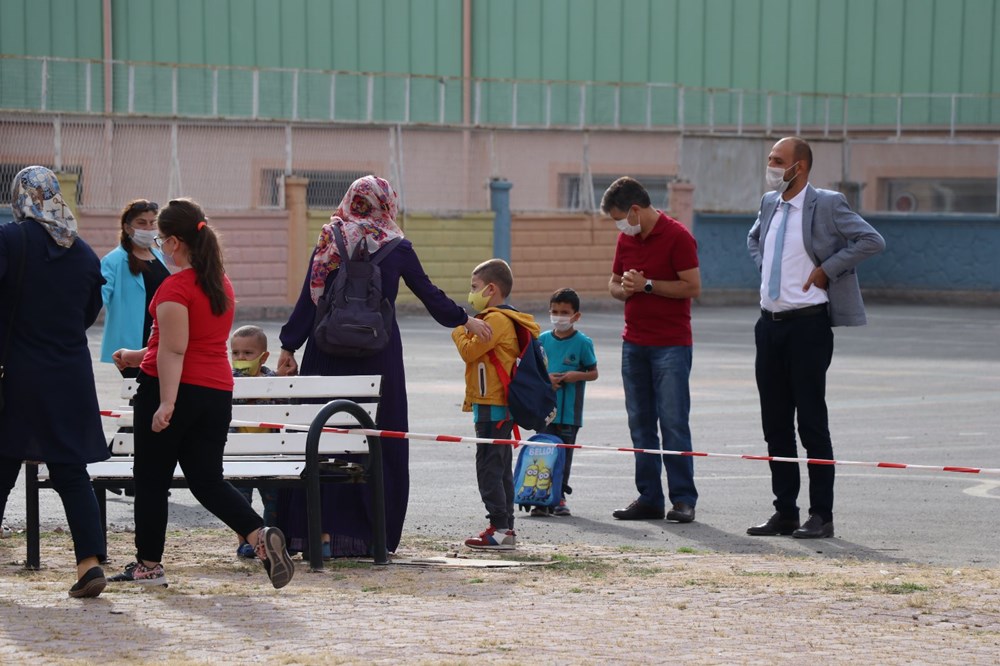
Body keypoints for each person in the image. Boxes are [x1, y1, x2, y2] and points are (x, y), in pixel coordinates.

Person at [275, 175, 491, 558]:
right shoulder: (396, 246)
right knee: (377, 442)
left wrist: (289, 346)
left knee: (322, 440)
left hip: (327, 354)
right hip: (378, 357)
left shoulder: (330, 239)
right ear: (387, 203)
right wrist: (465, 319)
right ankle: (373, 535)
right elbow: (428, 293)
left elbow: (310, 299)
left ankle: (317, 533)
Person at [109, 198, 294, 589]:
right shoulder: (220, 284)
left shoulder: (175, 287)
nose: (159, 246)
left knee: (152, 479)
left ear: (175, 242)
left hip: (173, 389)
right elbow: (182, 343)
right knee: (206, 479)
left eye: (161, 240)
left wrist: (166, 402)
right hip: (215, 391)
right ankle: (258, 535)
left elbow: (175, 351)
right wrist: (134, 355)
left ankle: (149, 565)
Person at [746, 136, 885, 539]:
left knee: (810, 421)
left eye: (777, 160)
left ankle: (821, 515)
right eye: (770, 158)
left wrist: (828, 269)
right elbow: (754, 239)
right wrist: (766, 267)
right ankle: (784, 511)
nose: (771, 166)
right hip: (768, 325)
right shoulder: (768, 202)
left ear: (799, 166)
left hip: (807, 326)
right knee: (774, 423)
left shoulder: (827, 203)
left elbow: (871, 240)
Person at [0, 166, 109, 598]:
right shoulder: (82, 251)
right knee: (70, 471)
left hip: (19, 373)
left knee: (2, 466)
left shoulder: (10, 239)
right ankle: (89, 563)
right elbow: (87, 314)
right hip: (70, 375)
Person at [603, 176, 700, 524]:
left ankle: (683, 499)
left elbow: (692, 286)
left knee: (673, 422)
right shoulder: (625, 240)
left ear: (635, 209)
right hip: (634, 343)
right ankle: (649, 497)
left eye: (619, 217)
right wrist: (625, 289)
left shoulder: (678, 236)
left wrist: (647, 285)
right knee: (640, 425)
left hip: (671, 345)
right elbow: (613, 284)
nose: (619, 226)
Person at [452, 258, 540, 550]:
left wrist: (458, 328)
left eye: (474, 287)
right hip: (499, 404)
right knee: (500, 467)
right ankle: (505, 529)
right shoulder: (506, 317)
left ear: (491, 289)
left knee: (489, 467)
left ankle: (499, 527)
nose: (471, 293)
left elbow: (469, 350)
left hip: (493, 403)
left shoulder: (495, 320)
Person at [535, 287, 598, 517]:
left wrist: (575, 376)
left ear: (575, 316)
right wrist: (546, 380)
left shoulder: (583, 342)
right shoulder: (541, 340)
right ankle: (540, 497)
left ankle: (559, 496)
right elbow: (533, 372)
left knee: (564, 456)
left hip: (570, 413)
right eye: (555, 311)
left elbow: (593, 372)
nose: (559, 316)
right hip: (546, 411)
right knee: (544, 454)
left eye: (564, 312)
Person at [100, 199, 170, 378]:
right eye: (141, 223)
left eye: (152, 223)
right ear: (128, 227)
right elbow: (99, 295)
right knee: (138, 390)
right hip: (132, 342)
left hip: (162, 336)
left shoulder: (160, 255)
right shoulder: (114, 260)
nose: (148, 228)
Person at [229, 324, 281, 559]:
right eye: (235, 353)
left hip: (269, 453)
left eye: (248, 353)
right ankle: (245, 541)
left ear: (263, 356)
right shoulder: (227, 380)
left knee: (273, 500)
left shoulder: (272, 381)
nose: (240, 358)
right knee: (240, 501)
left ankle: (270, 538)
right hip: (238, 454)